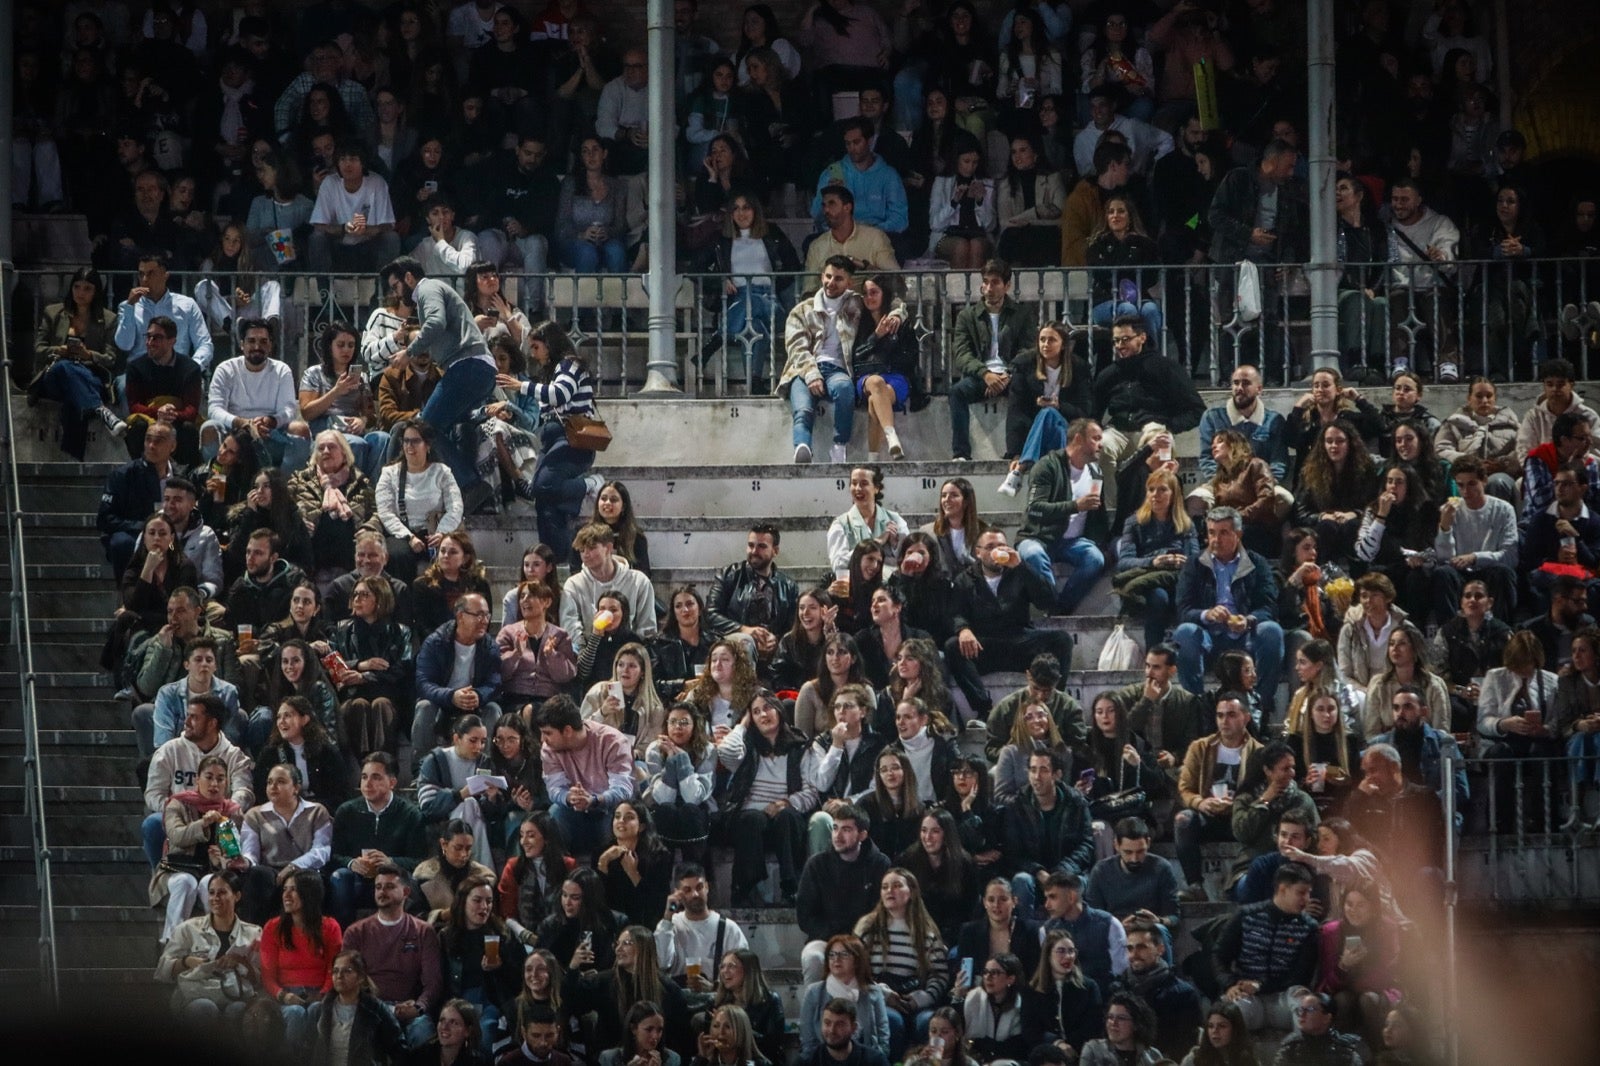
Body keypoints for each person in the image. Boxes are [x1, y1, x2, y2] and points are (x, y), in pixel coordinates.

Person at [379, 255, 496, 505]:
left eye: (397, 285)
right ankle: (472, 493)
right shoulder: (437, 290)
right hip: (480, 370)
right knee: (458, 428)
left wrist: (408, 352)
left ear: (409, 278)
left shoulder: (427, 289)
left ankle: (470, 484)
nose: (397, 292)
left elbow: (435, 322)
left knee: (425, 428)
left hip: (466, 366)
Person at [945, 529, 1076, 719]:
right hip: (985, 645)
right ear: (978, 552)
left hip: (1020, 641)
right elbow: (956, 613)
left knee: (1062, 640)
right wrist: (963, 629)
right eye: (990, 547)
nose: (996, 550)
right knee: (952, 647)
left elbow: (1047, 602)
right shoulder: (964, 579)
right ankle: (984, 710)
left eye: (1001, 546)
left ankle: (1053, 704)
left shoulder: (1019, 572)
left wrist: (1022, 567)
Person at [1173, 509, 1285, 719]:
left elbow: (1269, 606)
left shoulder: (1256, 563)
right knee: (1185, 632)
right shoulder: (1194, 564)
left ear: (1238, 534)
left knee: (1271, 631)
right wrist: (1207, 614)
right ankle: (1196, 710)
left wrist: (1249, 620)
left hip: (1245, 637)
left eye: (1223, 532)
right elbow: (1183, 609)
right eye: (1212, 532)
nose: (1216, 539)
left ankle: (1259, 707)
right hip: (1208, 637)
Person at [718, 690, 819, 906]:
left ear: (779, 710)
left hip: (785, 816)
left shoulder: (800, 746)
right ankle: (745, 888)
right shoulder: (747, 747)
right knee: (752, 819)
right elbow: (726, 752)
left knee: (787, 817)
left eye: (767, 708)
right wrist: (742, 724)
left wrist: (786, 803)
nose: (763, 715)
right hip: (751, 816)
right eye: (756, 712)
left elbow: (811, 792)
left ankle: (791, 888)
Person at [144, 694, 255, 870]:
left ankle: (230, 875)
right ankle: (162, 880)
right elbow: (153, 794)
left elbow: (244, 792)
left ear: (212, 723)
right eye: (187, 715)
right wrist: (178, 809)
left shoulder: (234, 756)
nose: (186, 721)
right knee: (153, 823)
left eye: (194, 717)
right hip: (180, 817)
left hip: (220, 818)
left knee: (243, 820)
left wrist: (223, 809)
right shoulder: (169, 751)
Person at [341, 861, 444, 1047]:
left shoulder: (423, 931)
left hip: (409, 1010)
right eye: (378, 887)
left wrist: (419, 1007)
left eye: (389, 887)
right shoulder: (355, 932)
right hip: (369, 1008)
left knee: (423, 1034)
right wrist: (378, 1008)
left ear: (405, 892)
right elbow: (347, 980)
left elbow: (433, 982)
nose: (381, 892)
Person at [1174, 695, 1263, 898]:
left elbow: (1262, 792)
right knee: (1183, 819)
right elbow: (1185, 788)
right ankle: (1195, 885)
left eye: (1231, 715)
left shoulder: (1258, 752)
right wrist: (1201, 802)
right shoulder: (1200, 747)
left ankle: (1246, 883)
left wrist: (1238, 805)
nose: (1224, 721)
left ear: (1246, 717)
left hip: (1240, 818)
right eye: (1220, 715)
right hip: (1208, 815)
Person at [1212, 862, 1320, 1031]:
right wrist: (1230, 984)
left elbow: (1301, 975)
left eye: (1308, 893)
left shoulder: (1308, 927)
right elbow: (1219, 955)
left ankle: (1301, 1054)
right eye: (1301, 893)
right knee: (1229, 1011)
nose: (1306, 899)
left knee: (1306, 1005)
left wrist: (1261, 985)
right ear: (1283, 889)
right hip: (1247, 994)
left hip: (1284, 995)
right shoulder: (1246, 916)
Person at [781, 256, 867, 466]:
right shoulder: (802, 310)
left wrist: (897, 315)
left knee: (845, 390)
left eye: (838, 278)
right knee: (803, 409)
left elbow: (892, 298)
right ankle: (802, 447)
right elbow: (796, 348)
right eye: (828, 276)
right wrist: (812, 375)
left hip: (838, 369)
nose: (831, 282)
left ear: (849, 282)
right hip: (804, 369)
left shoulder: (856, 304)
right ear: (822, 276)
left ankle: (839, 446)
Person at [151, 753, 245, 944]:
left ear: (227, 783)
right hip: (176, 870)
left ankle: (218, 940)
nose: (214, 784)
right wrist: (204, 823)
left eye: (220, 779)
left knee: (212, 883)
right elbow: (176, 836)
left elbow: (236, 853)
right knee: (186, 882)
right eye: (208, 777)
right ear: (197, 780)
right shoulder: (178, 803)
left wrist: (221, 860)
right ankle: (173, 942)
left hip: (212, 871)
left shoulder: (232, 811)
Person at [329, 752, 431, 928]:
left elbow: (420, 861)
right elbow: (334, 855)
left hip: (395, 879)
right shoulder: (346, 811)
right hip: (359, 879)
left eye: (376, 777)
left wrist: (391, 862)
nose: (368, 783)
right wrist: (351, 863)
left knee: (410, 884)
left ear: (392, 782)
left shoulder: (410, 814)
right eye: (364, 777)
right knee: (339, 877)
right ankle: (345, 940)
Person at [797, 802, 893, 983]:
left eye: (846, 830)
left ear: (862, 835)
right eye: (835, 828)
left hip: (867, 940)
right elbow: (805, 916)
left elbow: (881, 911)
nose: (838, 836)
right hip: (826, 939)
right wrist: (836, 941)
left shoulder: (880, 864)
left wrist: (857, 940)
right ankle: (816, 1009)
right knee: (812, 957)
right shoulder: (817, 864)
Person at [948, 259, 1029, 463]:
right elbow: (961, 353)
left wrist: (1008, 374)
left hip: (1011, 374)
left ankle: (1015, 451)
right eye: (986, 282)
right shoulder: (968, 316)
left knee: (1024, 389)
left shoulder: (1021, 314)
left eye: (995, 282)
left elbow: (1028, 350)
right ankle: (961, 453)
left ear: (1007, 285)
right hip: (981, 375)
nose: (989, 288)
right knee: (957, 392)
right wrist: (985, 374)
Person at [155, 870, 263, 1022]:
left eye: (222, 893)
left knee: (237, 1009)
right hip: (196, 994)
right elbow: (162, 970)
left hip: (235, 994)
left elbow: (260, 980)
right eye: (211, 893)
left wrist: (242, 962)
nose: (215, 898)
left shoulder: (254, 933)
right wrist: (186, 962)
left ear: (237, 896)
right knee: (205, 1008)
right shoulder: (188, 929)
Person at [536, 695, 636, 857]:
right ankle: (559, 876)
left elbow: (623, 790)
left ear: (567, 730)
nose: (543, 740)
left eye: (547, 733)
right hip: (574, 811)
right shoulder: (549, 749)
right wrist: (569, 797)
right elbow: (554, 788)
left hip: (608, 809)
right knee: (555, 813)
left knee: (618, 815)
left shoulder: (612, 741)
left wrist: (594, 800)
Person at [1384, 177, 1461, 381]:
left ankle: (1447, 362)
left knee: (1435, 300)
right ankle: (1400, 362)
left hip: (1432, 285)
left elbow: (1449, 258)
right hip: (1401, 286)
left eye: (1404, 200)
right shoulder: (1386, 224)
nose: (1398, 205)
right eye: (1395, 199)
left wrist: (1441, 257)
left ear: (1418, 200)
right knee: (1397, 298)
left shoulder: (1439, 223)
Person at [1116, 469, 1200, 650]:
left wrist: (1182, 561)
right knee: (1159, 597)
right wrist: (1152, 562)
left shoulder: (1186, 524)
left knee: (1187, 594)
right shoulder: (1134, 522)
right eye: (1151, 490)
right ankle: (1153, 655)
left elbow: (1195, 561)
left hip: (1176, 579)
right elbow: (1124, 562)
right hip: (1146, 583)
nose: (1155, 495)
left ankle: (1188, 652)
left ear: (1173, 494)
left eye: (1162, 490)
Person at [1003, 748, 1095, 914]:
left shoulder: (1076, 803)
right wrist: (1038, 872)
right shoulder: (1017, 806)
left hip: (1067, 871)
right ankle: (1025, 933)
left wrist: (1061, 872)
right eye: (1033, 770)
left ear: (1057, 774)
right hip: (1033, 875)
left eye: (1044, 770)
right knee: (1021, 881)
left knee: (1079, 883)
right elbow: (1012, 852)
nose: (1037, 777)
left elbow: (1086, 844)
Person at [412, 594, 502, 764]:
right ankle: (421, 771)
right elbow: (423, 682)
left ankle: (486, 769)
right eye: (479, 615)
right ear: (460, 616)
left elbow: (495, 682)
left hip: (475, 705)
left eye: (487, 615)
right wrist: (451, 696)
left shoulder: (489, 646)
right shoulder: (436, 642)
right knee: (424, 707)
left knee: (493, 709)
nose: (484, 620)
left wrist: (479, 695)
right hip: (443, 703)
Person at [261, 868, 343, 1047]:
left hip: (320, 995)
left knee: (316, 1009)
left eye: (293, 889)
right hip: (285, 997)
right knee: (295, 1013)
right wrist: (283, 995)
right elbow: (267, 975)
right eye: (284, 889)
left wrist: (322, 994)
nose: (286, 895)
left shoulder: (330, 927)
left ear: (309, 894)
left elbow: (334, 968)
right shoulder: (272, 928)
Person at [113, 250, 214, 370]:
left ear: (165, 276)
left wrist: (191, 369)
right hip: (140, 373)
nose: (144, 279)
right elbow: (124, 345)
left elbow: (204, 344)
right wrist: (129, 308)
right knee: (123, 386)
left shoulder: (187, 305)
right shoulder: (128, 306)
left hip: (177, 371)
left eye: (151, 274)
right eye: (141, 274)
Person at [1434, 378, 1521, 504]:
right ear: (1469, 398)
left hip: (1499, 473)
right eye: (1479, 396)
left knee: (1497, 482)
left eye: (1489, 396)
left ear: (1495, 398)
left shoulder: (1512, 424)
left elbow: (1522, 448)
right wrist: (1471, 463)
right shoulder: (1453, 423)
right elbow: (1441, 449)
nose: (1484, 401)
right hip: (1464, 475)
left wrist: (1502, 464)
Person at [1271, 990, 1362, 1066]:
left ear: (1327, 1018)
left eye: (1310, 1010)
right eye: (1301, 1010)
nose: (1302, 1015)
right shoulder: (1291, 1048)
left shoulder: (1345, 1052)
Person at [1077, 993, 1164, 1066]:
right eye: (1110, 1017)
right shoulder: (1094, 1050)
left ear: (1137, 1024)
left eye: (1121, 1018)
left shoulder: (1153, 1055)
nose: (1113, 1023)